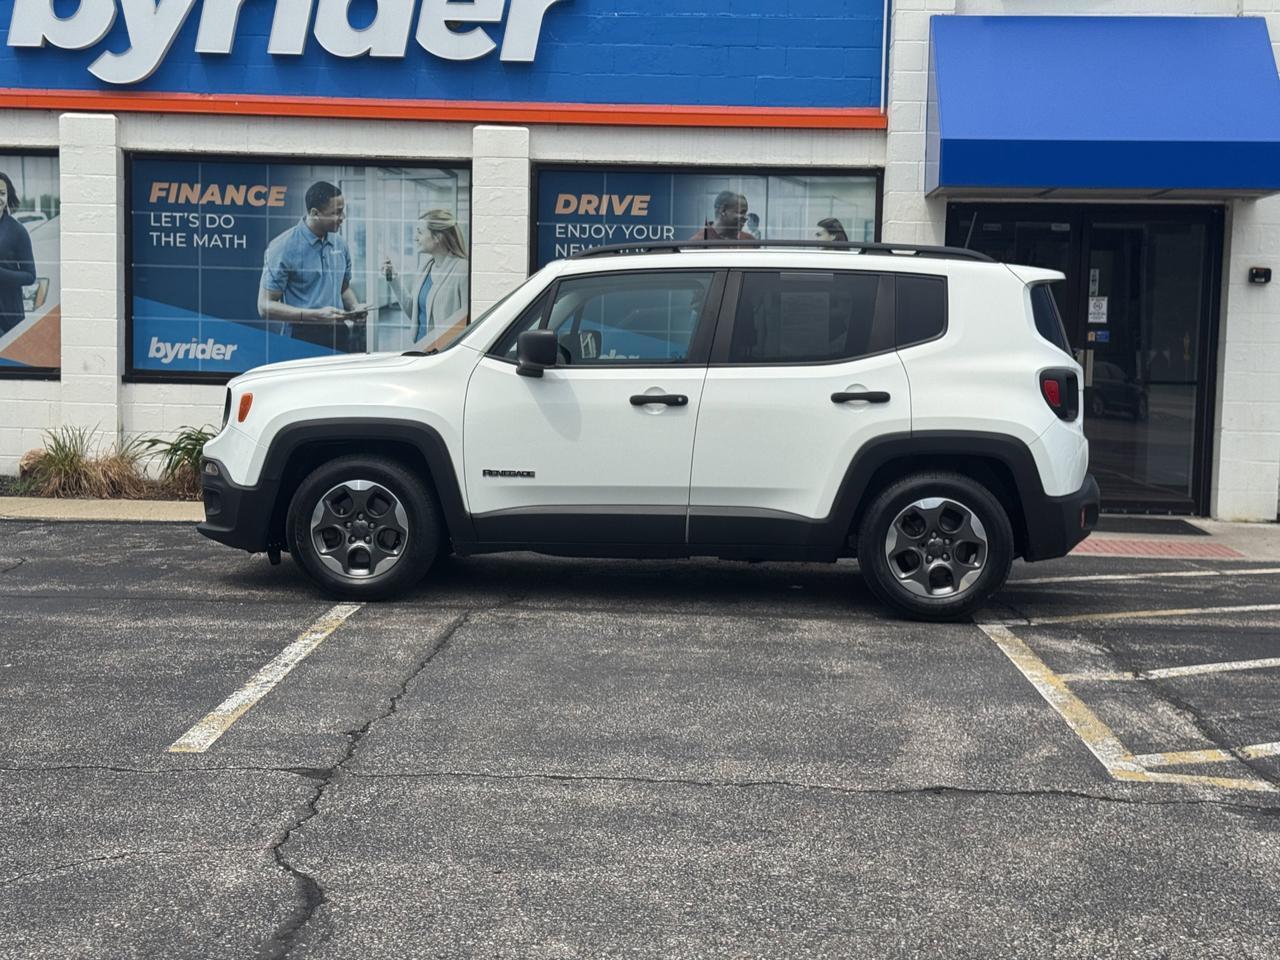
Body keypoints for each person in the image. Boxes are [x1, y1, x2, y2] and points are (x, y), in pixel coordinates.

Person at [258, 180, 367, 351]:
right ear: (315, 213)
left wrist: (354, 308)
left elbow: (343, 289)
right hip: (300, 338)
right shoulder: (282, 247)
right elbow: (265, 306)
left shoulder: (340, 244)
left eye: (343, 211)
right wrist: (315, 316)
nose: (343, 218)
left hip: (339, 335)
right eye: (337, 213)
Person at [382, 209, 469, 348]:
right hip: (420, 348)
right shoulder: (425, 267)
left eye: (420, 232)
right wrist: (394, 279)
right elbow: (413, 312)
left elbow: (468, 325)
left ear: (437, 237)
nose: (415, 238)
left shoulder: (462, 270)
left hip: (442, 354)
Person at [0, 171, 36, 337]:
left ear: (8, 196)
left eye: (1, 193)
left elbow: (30, 276)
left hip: (8, 317)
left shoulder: (17, 231)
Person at [691, 190, 755, 241]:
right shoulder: (698, 242)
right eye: (742, 212)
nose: (746, 218)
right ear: (723, 210)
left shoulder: (749, 240)